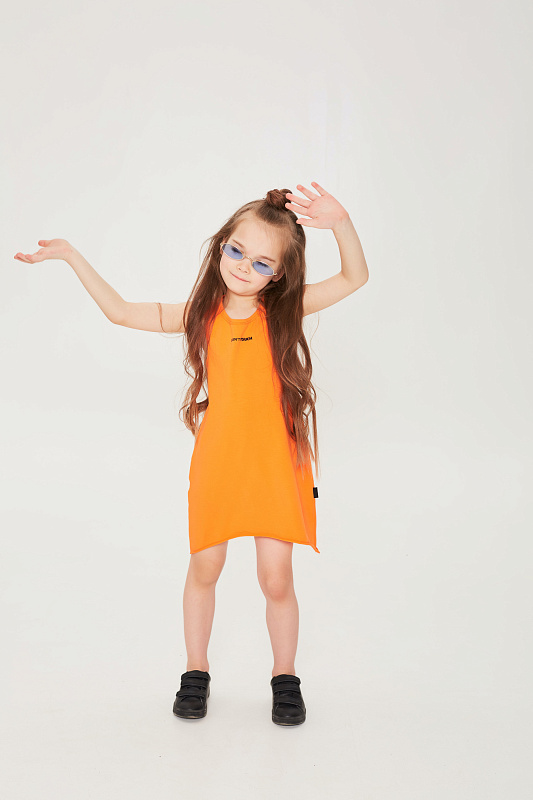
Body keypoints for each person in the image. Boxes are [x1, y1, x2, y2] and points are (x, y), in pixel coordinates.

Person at [14, 181, 369, 725]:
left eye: (262, 263)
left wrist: (340, 222)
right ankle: (195, 672)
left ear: (280, 274)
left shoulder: (284, 311)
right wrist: (71, 256)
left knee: (276, 578)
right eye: (236, 250)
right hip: (218, 463)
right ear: (221, 244)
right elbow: (120, 312)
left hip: (275, 465)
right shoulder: (201, 315)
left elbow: (353, 277)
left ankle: (286, 678)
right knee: (206, 566)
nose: (244, 267)